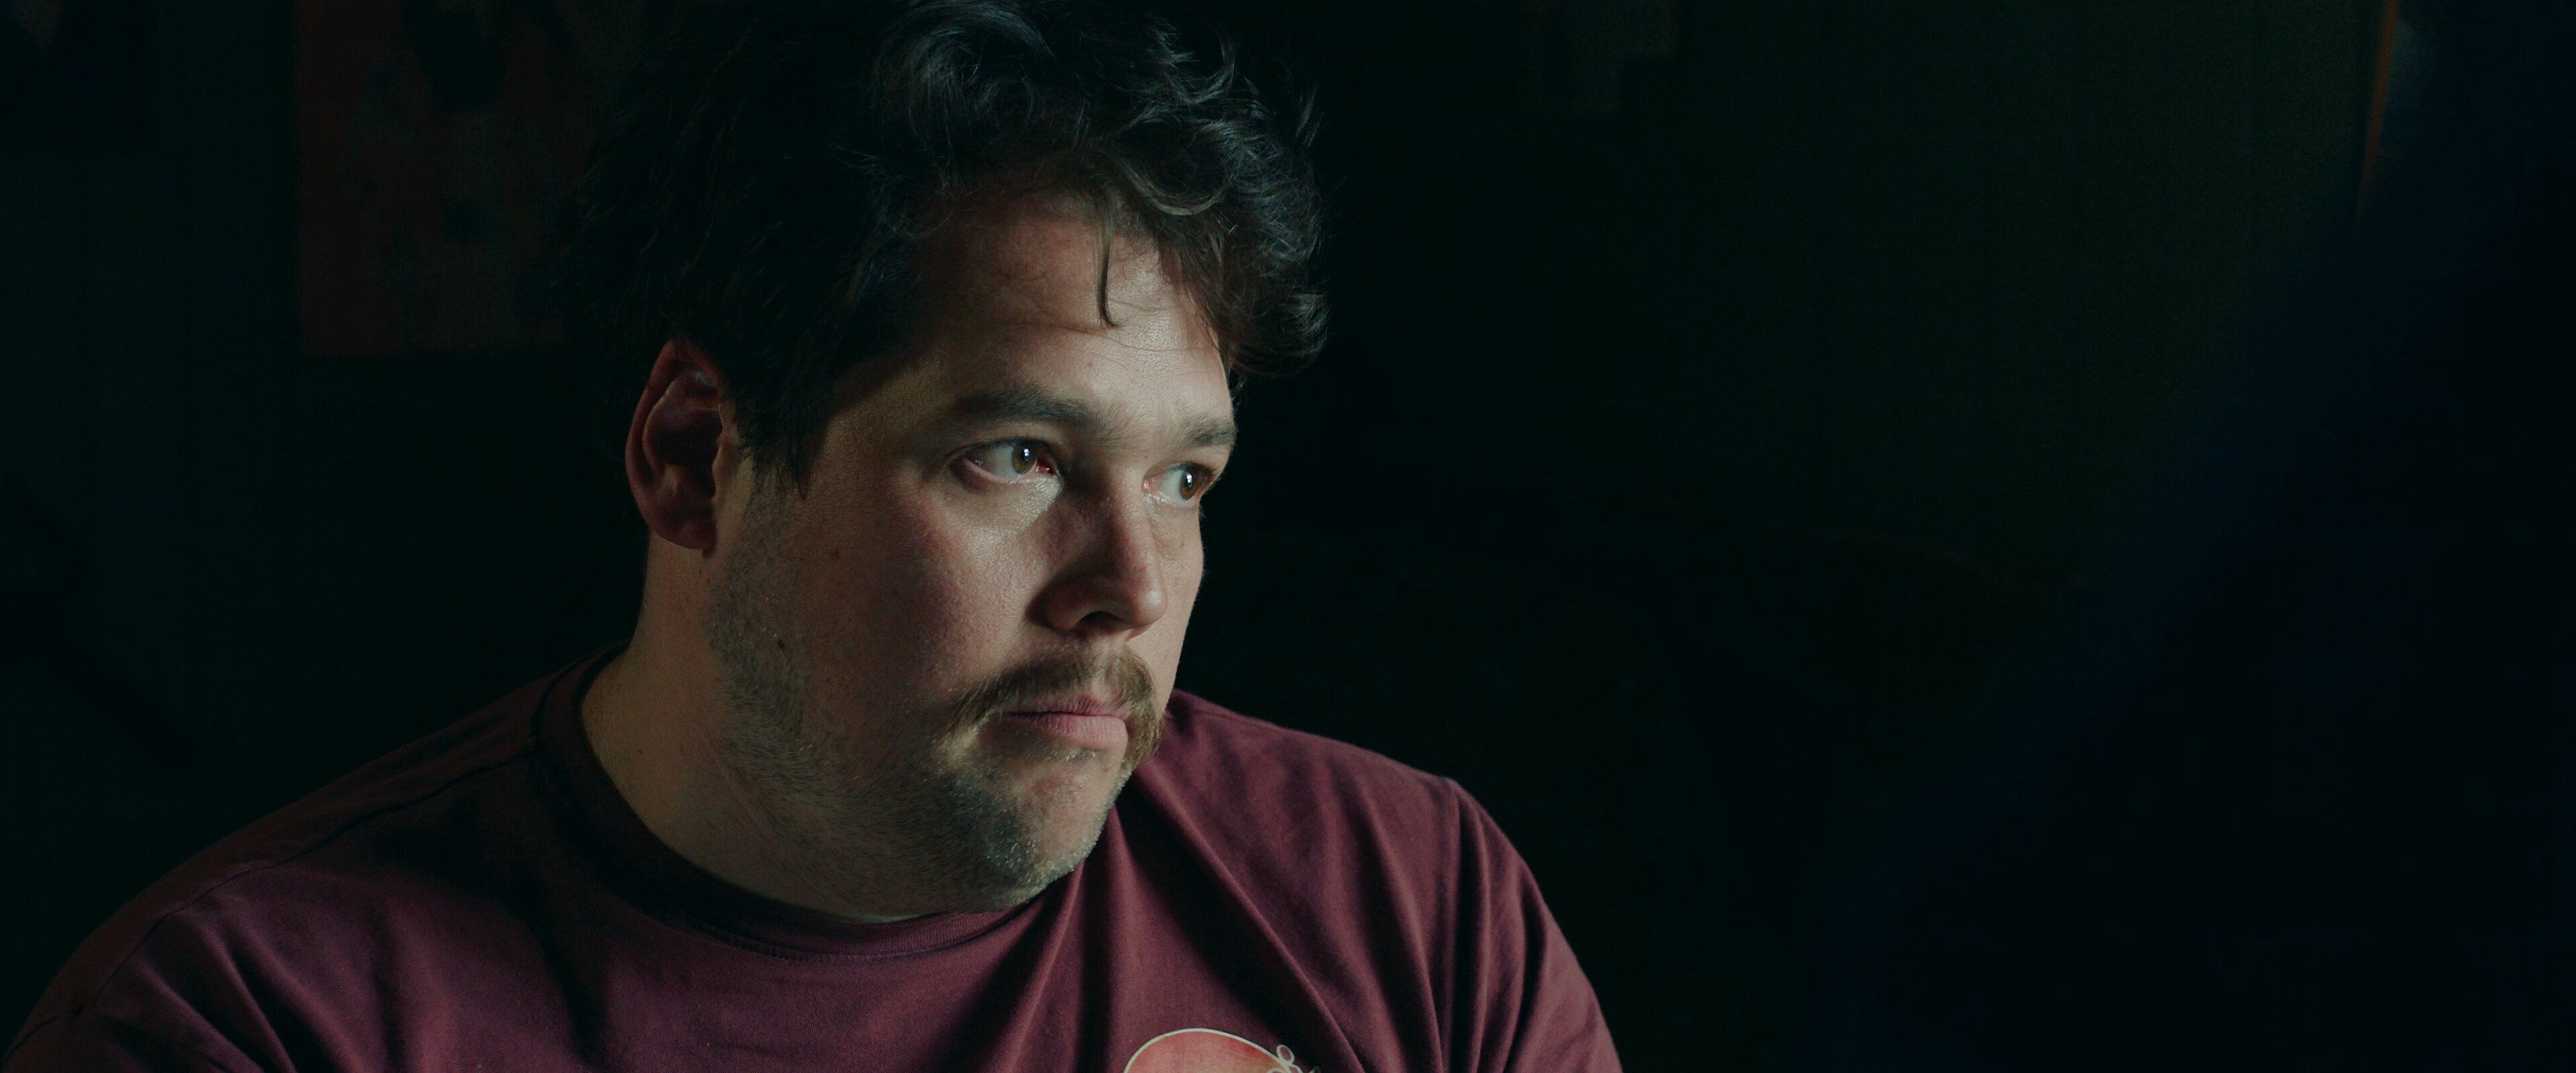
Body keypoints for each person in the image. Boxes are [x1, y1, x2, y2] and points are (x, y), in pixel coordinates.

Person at [5, 1, 1619, 1070]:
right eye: (1016, 457)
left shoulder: (1411, 903)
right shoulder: (252, 1024)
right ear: (695, 459)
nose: (1131, 588)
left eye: (1185, 479)